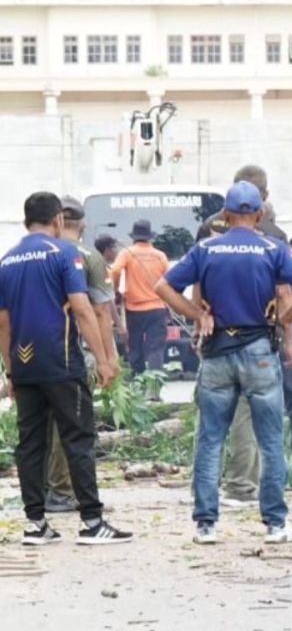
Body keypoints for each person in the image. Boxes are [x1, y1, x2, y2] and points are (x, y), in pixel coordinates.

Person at [155, 181, 292, 544]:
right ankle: (276, 524)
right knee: (270, 440)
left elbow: (163, 288)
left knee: (211, 439)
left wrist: (197, 314)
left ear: (226, 215)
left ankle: (206, 525)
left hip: (217, 353)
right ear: (259, 214)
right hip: (259, 351)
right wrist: (286, 317)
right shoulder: (273, 248)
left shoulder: (205, 249)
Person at [0, 192, 133, 545]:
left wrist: (11, 372)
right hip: (62, 363)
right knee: (78, 438)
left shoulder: (7, 261)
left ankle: (35, 524)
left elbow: (3, 323)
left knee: (29, 444)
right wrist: (105, 359)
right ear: (58, 220)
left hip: (25, 367)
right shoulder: (66, 253)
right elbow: (84, 309)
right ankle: (92, 522)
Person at [196, 165, 292, 498]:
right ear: (263, 200)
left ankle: (205, 490)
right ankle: (279, 473)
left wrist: (199, 319)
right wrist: (291, 333)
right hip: (260, 335)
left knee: (211, 419)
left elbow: (189, 285)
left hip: (216, 334)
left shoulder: (207, 230)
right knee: (275, 409)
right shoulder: (272, 235)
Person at [42, 197, 120, 515]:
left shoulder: (34, 254)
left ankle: (46, 489)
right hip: (74, 351)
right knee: (72, 426)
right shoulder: (87, 257)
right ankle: (62, 491)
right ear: (83, 225)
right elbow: (100, 313)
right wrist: (107, 358)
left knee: (42, 425)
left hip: (35, 352)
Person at [108, 219, 169, 375]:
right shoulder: (160, 256)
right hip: (157, 308)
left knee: (135, 347)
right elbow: (170, 280)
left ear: (134, 237)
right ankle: (154, 390)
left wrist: (114, 290)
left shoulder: (127, 253)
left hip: (134, 309)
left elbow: (114, 270)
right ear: (150, 237)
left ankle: (138, 385)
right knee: (155, 348)